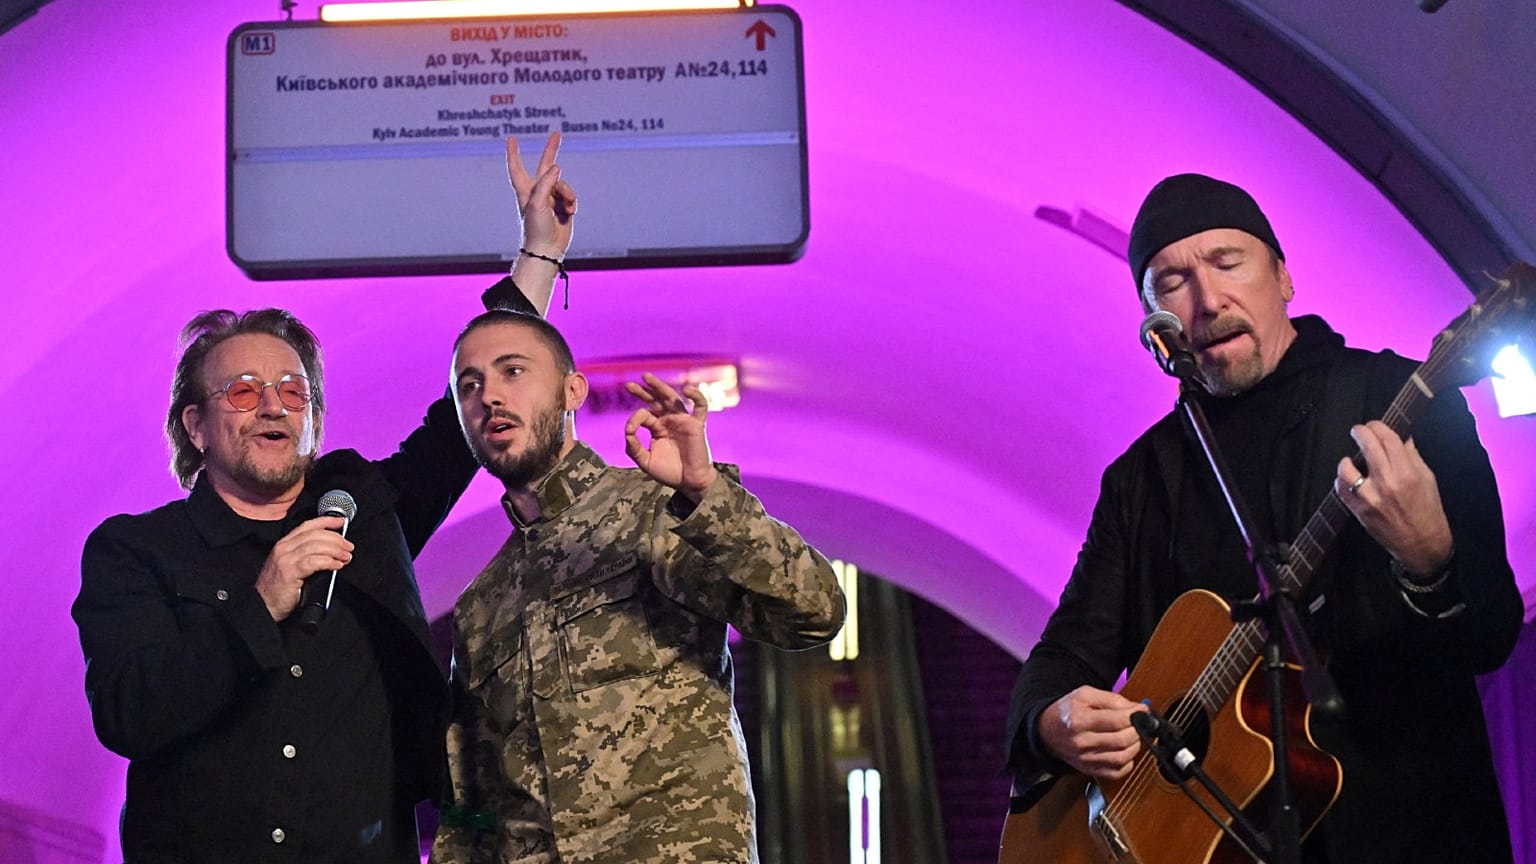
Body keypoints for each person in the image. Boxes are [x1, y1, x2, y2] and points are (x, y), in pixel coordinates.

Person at [71, 133, 577, 862]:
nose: (272, 407)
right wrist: (262, 600)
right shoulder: (137, 551)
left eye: (291, 391)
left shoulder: (368, 516)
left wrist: (538, 257)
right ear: (198, 425)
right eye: (243, 392)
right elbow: (129, 710)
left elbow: (453, 426)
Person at [1004, 173, 1522, 863]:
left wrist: (1431, 560)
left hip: (1409, 833)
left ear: (1282, 276)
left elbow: (1491, 635)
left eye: (1227, 263)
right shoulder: (1144, 479)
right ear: (1155, 323)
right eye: (1172, 282)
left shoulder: (1397, 398)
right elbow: (1066, 653)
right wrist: (1051, 720)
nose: (1209, 300)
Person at [429, 311, 847, 863]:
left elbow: (815, 611)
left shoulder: (657, 510)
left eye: (513, 371)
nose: (490, 397)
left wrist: (706, 493)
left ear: (572, 390)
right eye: (470, 384)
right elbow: (470, 809)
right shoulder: (483, 601)